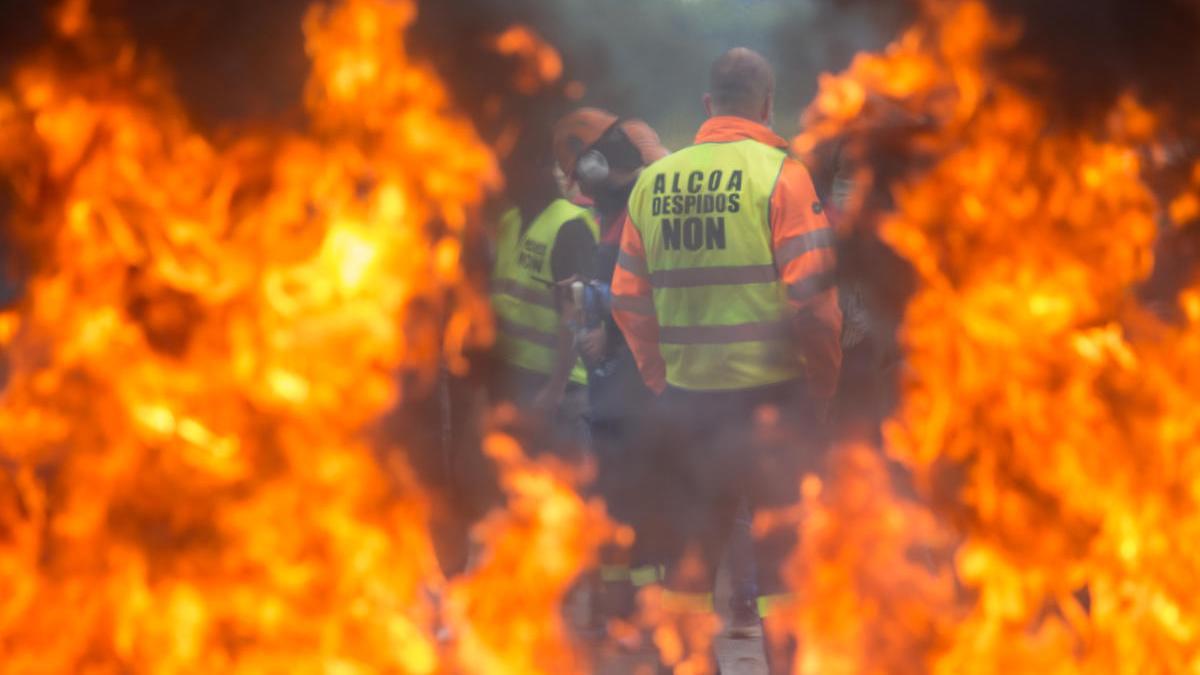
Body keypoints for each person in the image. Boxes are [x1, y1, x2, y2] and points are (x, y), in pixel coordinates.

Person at [612, 47, 842, 673]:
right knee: (783, 580)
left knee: (688, 574)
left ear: (708, 107)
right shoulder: (781, 175)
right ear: (766, 106)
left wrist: (664, 381)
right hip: (775, 406)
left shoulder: (653, 183)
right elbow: (815, 305)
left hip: (689, 410)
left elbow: (627, 300)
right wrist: (819, 391)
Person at [551, 108, 670, 622]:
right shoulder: (610, 213)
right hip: (612, 396)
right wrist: (588, 307)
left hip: (640, 391)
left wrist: (605, 325)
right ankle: (625, 622)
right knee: (617, 513)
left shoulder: (641, 211)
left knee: (643, 516)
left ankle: (646, 624)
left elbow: (649, 295)